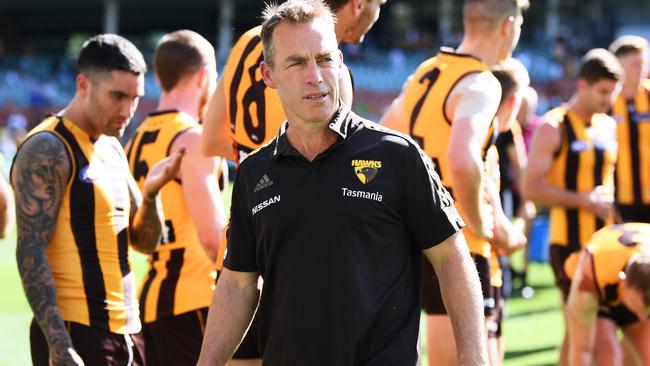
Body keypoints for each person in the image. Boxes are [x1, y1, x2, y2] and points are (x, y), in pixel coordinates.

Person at [197, 1, 487, 365]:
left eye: (324, 59)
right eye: (297, 63)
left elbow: (451, 257)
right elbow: (238, 283)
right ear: (268, 75)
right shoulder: (254, 173)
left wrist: (475, 357)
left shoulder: (396, 155)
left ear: (340, 61)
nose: (315, 76)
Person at [11, 34, 184, 366]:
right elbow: (29, 249)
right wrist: (59, 343)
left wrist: (151, 195)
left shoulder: (112, 148)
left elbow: (145, 242)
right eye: (117, 96)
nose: (128, 110)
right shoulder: (48, 147)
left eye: (135, 98)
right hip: (77, 333)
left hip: (129, 331)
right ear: (83, 84)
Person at [380, 0, 529, 363]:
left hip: (412, 240)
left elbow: (384, 135)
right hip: (458, 244)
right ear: (508, 26)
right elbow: (461, 160)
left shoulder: (426, 71)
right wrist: (482, 224)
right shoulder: (481, 82)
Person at [125, 30, 228, 366]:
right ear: (203, 77)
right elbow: (213, 238)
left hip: (151, 301)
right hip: (193, 300)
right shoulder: (194, 138)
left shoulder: (135, 140)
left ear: (159, 77)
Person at [522, 48, 622, 365]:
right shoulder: (555, 126)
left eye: (612, 92)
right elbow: (530, 187)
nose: (608, 99)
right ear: (582, 85)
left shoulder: (608, 126)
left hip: (604, 245)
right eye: (603, 91)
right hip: (569, 244)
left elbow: (608, 183)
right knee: (595, 339)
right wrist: (583, 201)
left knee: (577, 337)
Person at [201, 0, 388, 162]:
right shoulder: (333, 74)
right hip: (300, 200)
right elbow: (329, 165)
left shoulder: (248, 41)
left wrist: (259, 168)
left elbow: (210, 142)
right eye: (379, 5)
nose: (378, 15)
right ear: (358, 4)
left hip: (251, 199)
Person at [564, 223, 650, 365]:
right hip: (594, 282)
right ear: (622, 281)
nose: (641, 317)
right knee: (608, 357)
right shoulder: (588, 278)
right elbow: (581, 349)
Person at [608, 36, 650, 223]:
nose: (641, 69)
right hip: (618, 198)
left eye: (643, 63)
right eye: (635, 64)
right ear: (618, 66)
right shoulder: (605, 100)